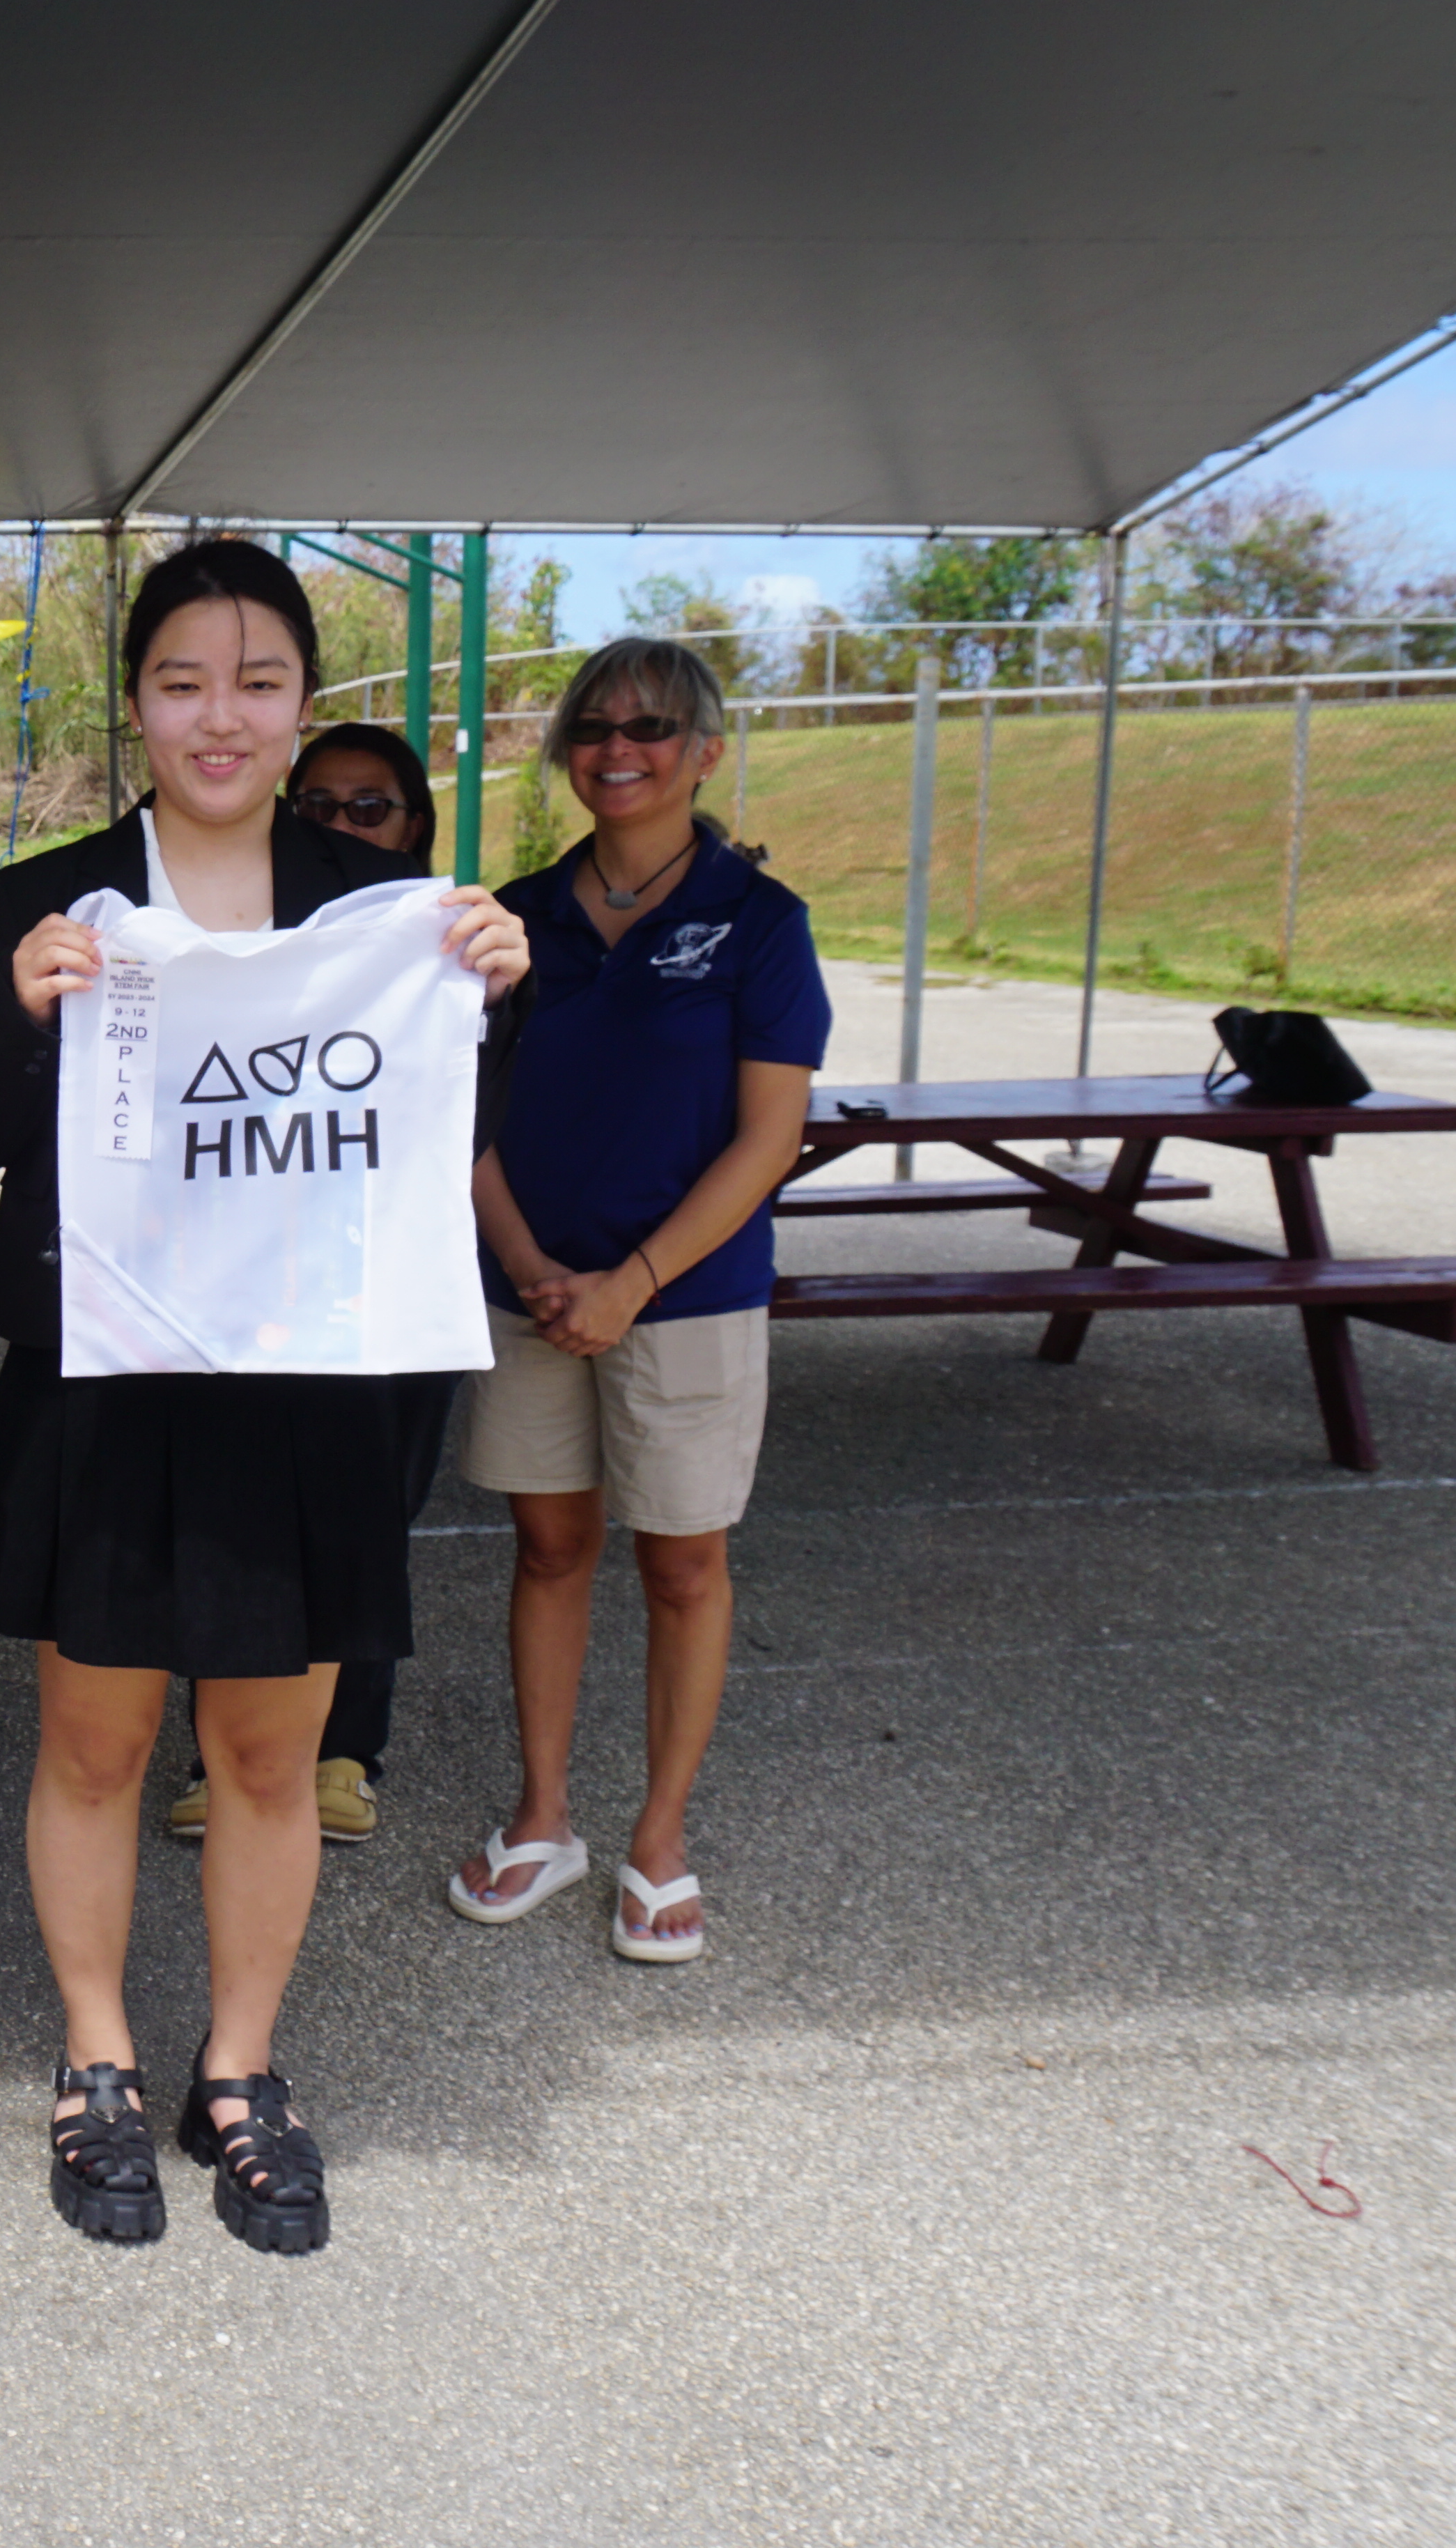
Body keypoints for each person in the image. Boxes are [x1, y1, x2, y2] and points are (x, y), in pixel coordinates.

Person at [0, 540, 526, 2261]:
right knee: (96, 1744)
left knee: (270, 1752)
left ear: (302, 708)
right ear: (135, 702)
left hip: (307, 1387)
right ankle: (97, 2057)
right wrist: (29, 1011)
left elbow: (471, 1113)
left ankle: (241, 2072)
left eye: (260, 683)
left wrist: (504, 976)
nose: (221, 714)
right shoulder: (56, 895)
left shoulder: (374, 906)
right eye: (184, 679)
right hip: (106, 1382)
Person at [447, 638, 822, 1968]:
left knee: (682, 1563)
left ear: (706, 752)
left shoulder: (759, 922)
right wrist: (535, 1264)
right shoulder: (510, 917)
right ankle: (543, 1817)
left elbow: (769, 1138)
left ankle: (659, 1838)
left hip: (687, 1299)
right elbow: (457, 1108)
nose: (621, 748)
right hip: (527, 1287)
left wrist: (633, 1283)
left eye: (655, 728)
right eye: (595, 726)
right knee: (549, 1550)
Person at [166, 720, 444, 1849]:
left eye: (368, 808)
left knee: (363, 1517)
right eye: (318, 808)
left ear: (413, 828)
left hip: (387, 1288)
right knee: (228, 1516)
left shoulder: (443, 952)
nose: (338, 829)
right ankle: (217, 1752)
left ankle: (343, 1754)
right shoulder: (226, 944)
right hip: (240, 1285)